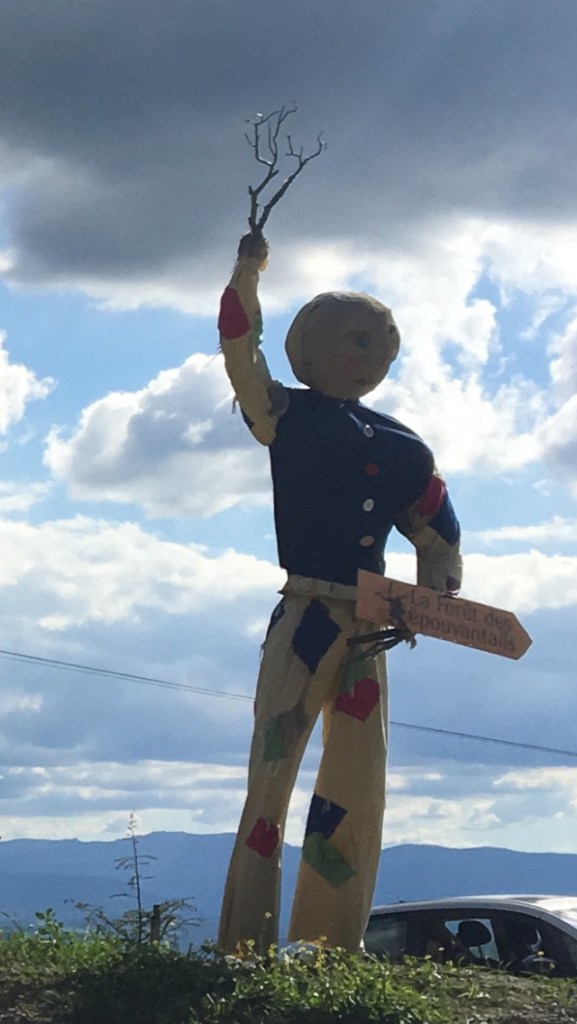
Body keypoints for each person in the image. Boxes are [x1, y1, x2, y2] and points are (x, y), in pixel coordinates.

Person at [217, 233, 462, 954]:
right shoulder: (284, 414)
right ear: (310, 346)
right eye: (357, 339)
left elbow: (439, 537)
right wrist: (247, 273)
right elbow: (240, 351)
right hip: (306, 613)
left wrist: (426, 605)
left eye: (385, 344)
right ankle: (245, 943)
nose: (372, 355)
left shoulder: (406, 447)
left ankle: (332, 944)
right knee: (272, 772)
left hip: (371, 625)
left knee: (358, 782)